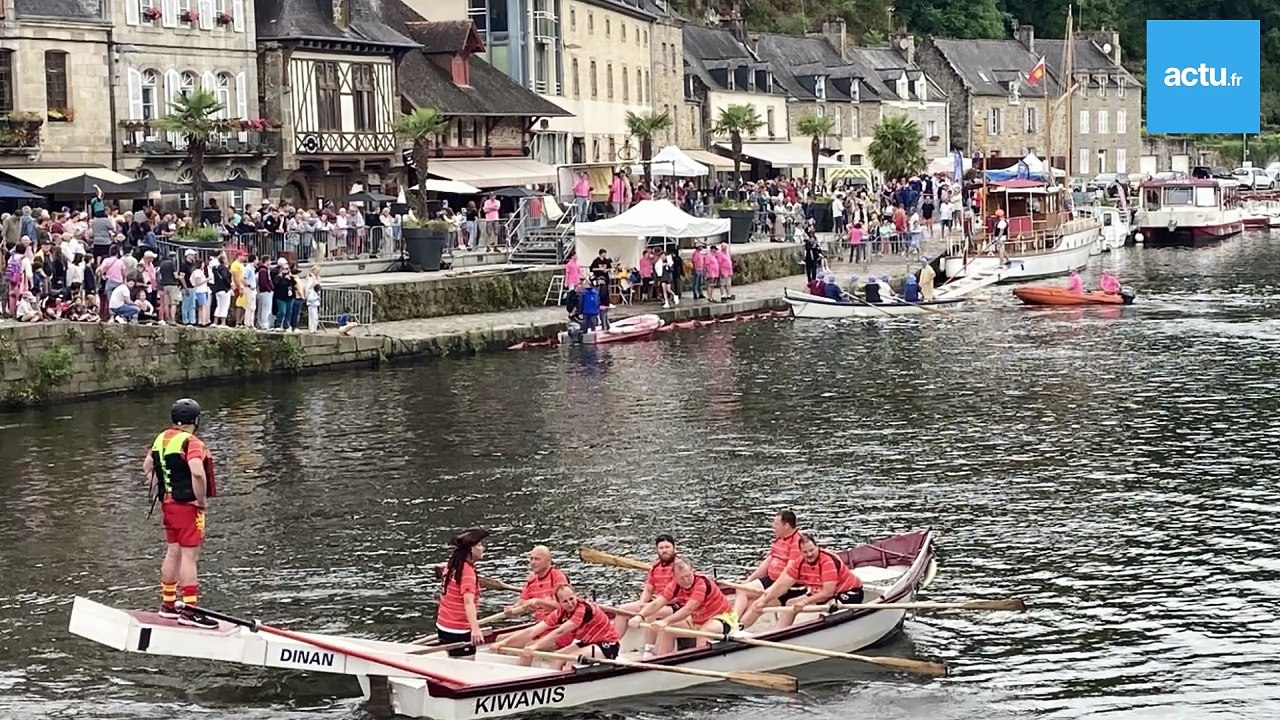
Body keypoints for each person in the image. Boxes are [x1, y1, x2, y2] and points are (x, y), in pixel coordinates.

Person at [141, 398, 218, 628]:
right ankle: (190, 610)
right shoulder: (191, 442)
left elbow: (147, 467)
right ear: (195, 420)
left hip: (167, 504)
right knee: (189, 556)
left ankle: (168, 605)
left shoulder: (161, 438)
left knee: (173, 551)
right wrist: (201, 500)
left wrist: (159, 487)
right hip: (186, 506)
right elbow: (197, 473)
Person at [740, 533, 864, 629]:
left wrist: (805, 601)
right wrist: (764, 600)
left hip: (848, 592)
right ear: (800, 552)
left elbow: (828, 592)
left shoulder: (827, 561)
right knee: (791, 605)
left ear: (818, 547)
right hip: (820, 593)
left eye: (812, 550)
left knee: (831, 605)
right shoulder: (799, 563)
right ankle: (778, 634)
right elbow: (782, 585)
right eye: (805, 552)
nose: (809, 554)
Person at [497, 583, 620, 670]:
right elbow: (535, 630)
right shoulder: (560, 612)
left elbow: (560, 632)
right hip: (587, 643)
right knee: (556, 657)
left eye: (572, 599)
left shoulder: (584, 609)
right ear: (559, 603)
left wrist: (536, 646)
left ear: (576, 595)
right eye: (565, 601)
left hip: (607, 645)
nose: (570, 603)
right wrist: (503, 643)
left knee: (571, 659)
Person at [628, 556, 736, 655]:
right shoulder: (674, 585)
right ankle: (662, 661)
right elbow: (657, 603)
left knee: (704, 632)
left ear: (692, 571)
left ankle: (698, 663)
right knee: (667, 629)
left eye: (688, 576)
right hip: (696, 620)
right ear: (674, 577)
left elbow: (688, 609)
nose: (686, 580)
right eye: (681, 578)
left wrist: (665, 621)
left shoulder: (701, 583)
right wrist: (640, 616)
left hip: (721, 618)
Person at [730, 510, 803, 626]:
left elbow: (789, 572)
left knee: (756, 605)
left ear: (786, 525)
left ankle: (738, 627)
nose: (773, 527)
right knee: (742, 589)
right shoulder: (780, 538)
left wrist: (773, 590)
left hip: (787, 587)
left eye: (776, 524)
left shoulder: (797, 543)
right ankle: (733, 620)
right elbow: (767, 562)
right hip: (771, 579)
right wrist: (749, 580)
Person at [611, 533, 678, 657]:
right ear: (657, 550)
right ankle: (613, 645)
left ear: (674, 548)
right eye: (661, 548)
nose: (664, 551)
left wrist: (655, 603)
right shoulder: (655, 568)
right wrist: (642, 602)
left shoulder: (679, 566)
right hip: (655, 602)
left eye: (667, 547)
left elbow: (683, 591)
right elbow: (648, 589)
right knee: (622, 610)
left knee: (650, 611)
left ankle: (649, 649)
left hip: (674, 605)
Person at [434, 528, 490, 659]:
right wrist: (475, 629)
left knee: (454, 664)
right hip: (459, 630)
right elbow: (468, 602)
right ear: (471, 549)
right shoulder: (467, 572)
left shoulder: (452, 564)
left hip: (443, 625)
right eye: (480, 545)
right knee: (467, 669)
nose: (483, 549)